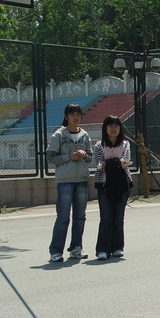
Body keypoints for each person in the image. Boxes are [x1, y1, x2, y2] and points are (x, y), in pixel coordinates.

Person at [47, 103, 93, 262]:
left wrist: (84, 155)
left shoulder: (85, 135)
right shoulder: (58, 135)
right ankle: (55, 251)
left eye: (78, 114)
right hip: (65, 181)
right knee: (63, 217)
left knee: (80, 216)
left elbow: (90, 158)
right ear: (66, 117)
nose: (76, 117)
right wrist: (69, 157)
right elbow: (50, 158)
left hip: (81, 180)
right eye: (72, 114)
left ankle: (76, 248)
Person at [93, 116, 133, 261]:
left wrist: (112, 164)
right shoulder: (99, 145)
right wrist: (115, 163)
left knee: (118, 217)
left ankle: (117, 247)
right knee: (106, 217)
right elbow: (99, 163)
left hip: (122, 184)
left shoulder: (125, 144)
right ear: (105, 128)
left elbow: (125, 160)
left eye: (116, 125)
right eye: (110, 126)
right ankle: (102, 249)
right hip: (104, 184)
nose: (113, 129)